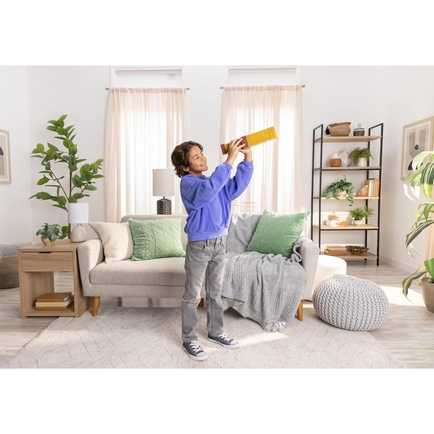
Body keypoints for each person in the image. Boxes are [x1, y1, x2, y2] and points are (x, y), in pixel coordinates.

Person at [171, 138, 253, 361]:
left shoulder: (214, 181)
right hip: (199, 246)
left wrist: (247, 157)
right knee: (192, 295)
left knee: (215, 293)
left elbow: (236, 186)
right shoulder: (189, 184)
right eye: (196, 157)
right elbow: (208, 191)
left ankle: (215, 331)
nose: (203, 158)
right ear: (185, 166)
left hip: (220, 243)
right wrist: (229, 160)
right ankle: (189, 339)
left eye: (202, 153)